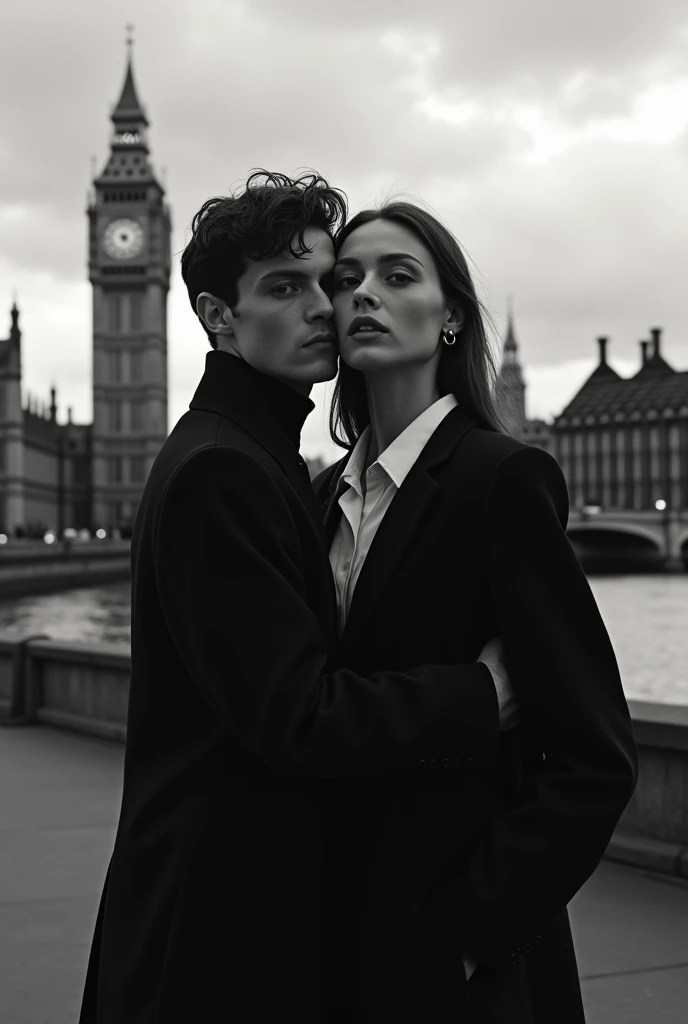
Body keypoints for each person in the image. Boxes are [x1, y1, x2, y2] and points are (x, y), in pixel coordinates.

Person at [77, 172, 517, 1024]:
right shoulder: (221, 470)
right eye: (286, 286)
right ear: (216, 315)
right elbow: (299, 718)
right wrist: (478, 694)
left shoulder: (259, 454)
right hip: (216, 939)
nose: (325, 305)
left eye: (328, 279)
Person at [311, 200, 639, 1022]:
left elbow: (595, 757)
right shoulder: (320, 499)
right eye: (345, 280)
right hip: (332, 939)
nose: (364, 296)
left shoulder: (501, 482)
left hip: (458, 973)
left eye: (396, 276)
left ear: (450, 316)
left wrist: (467, 935)